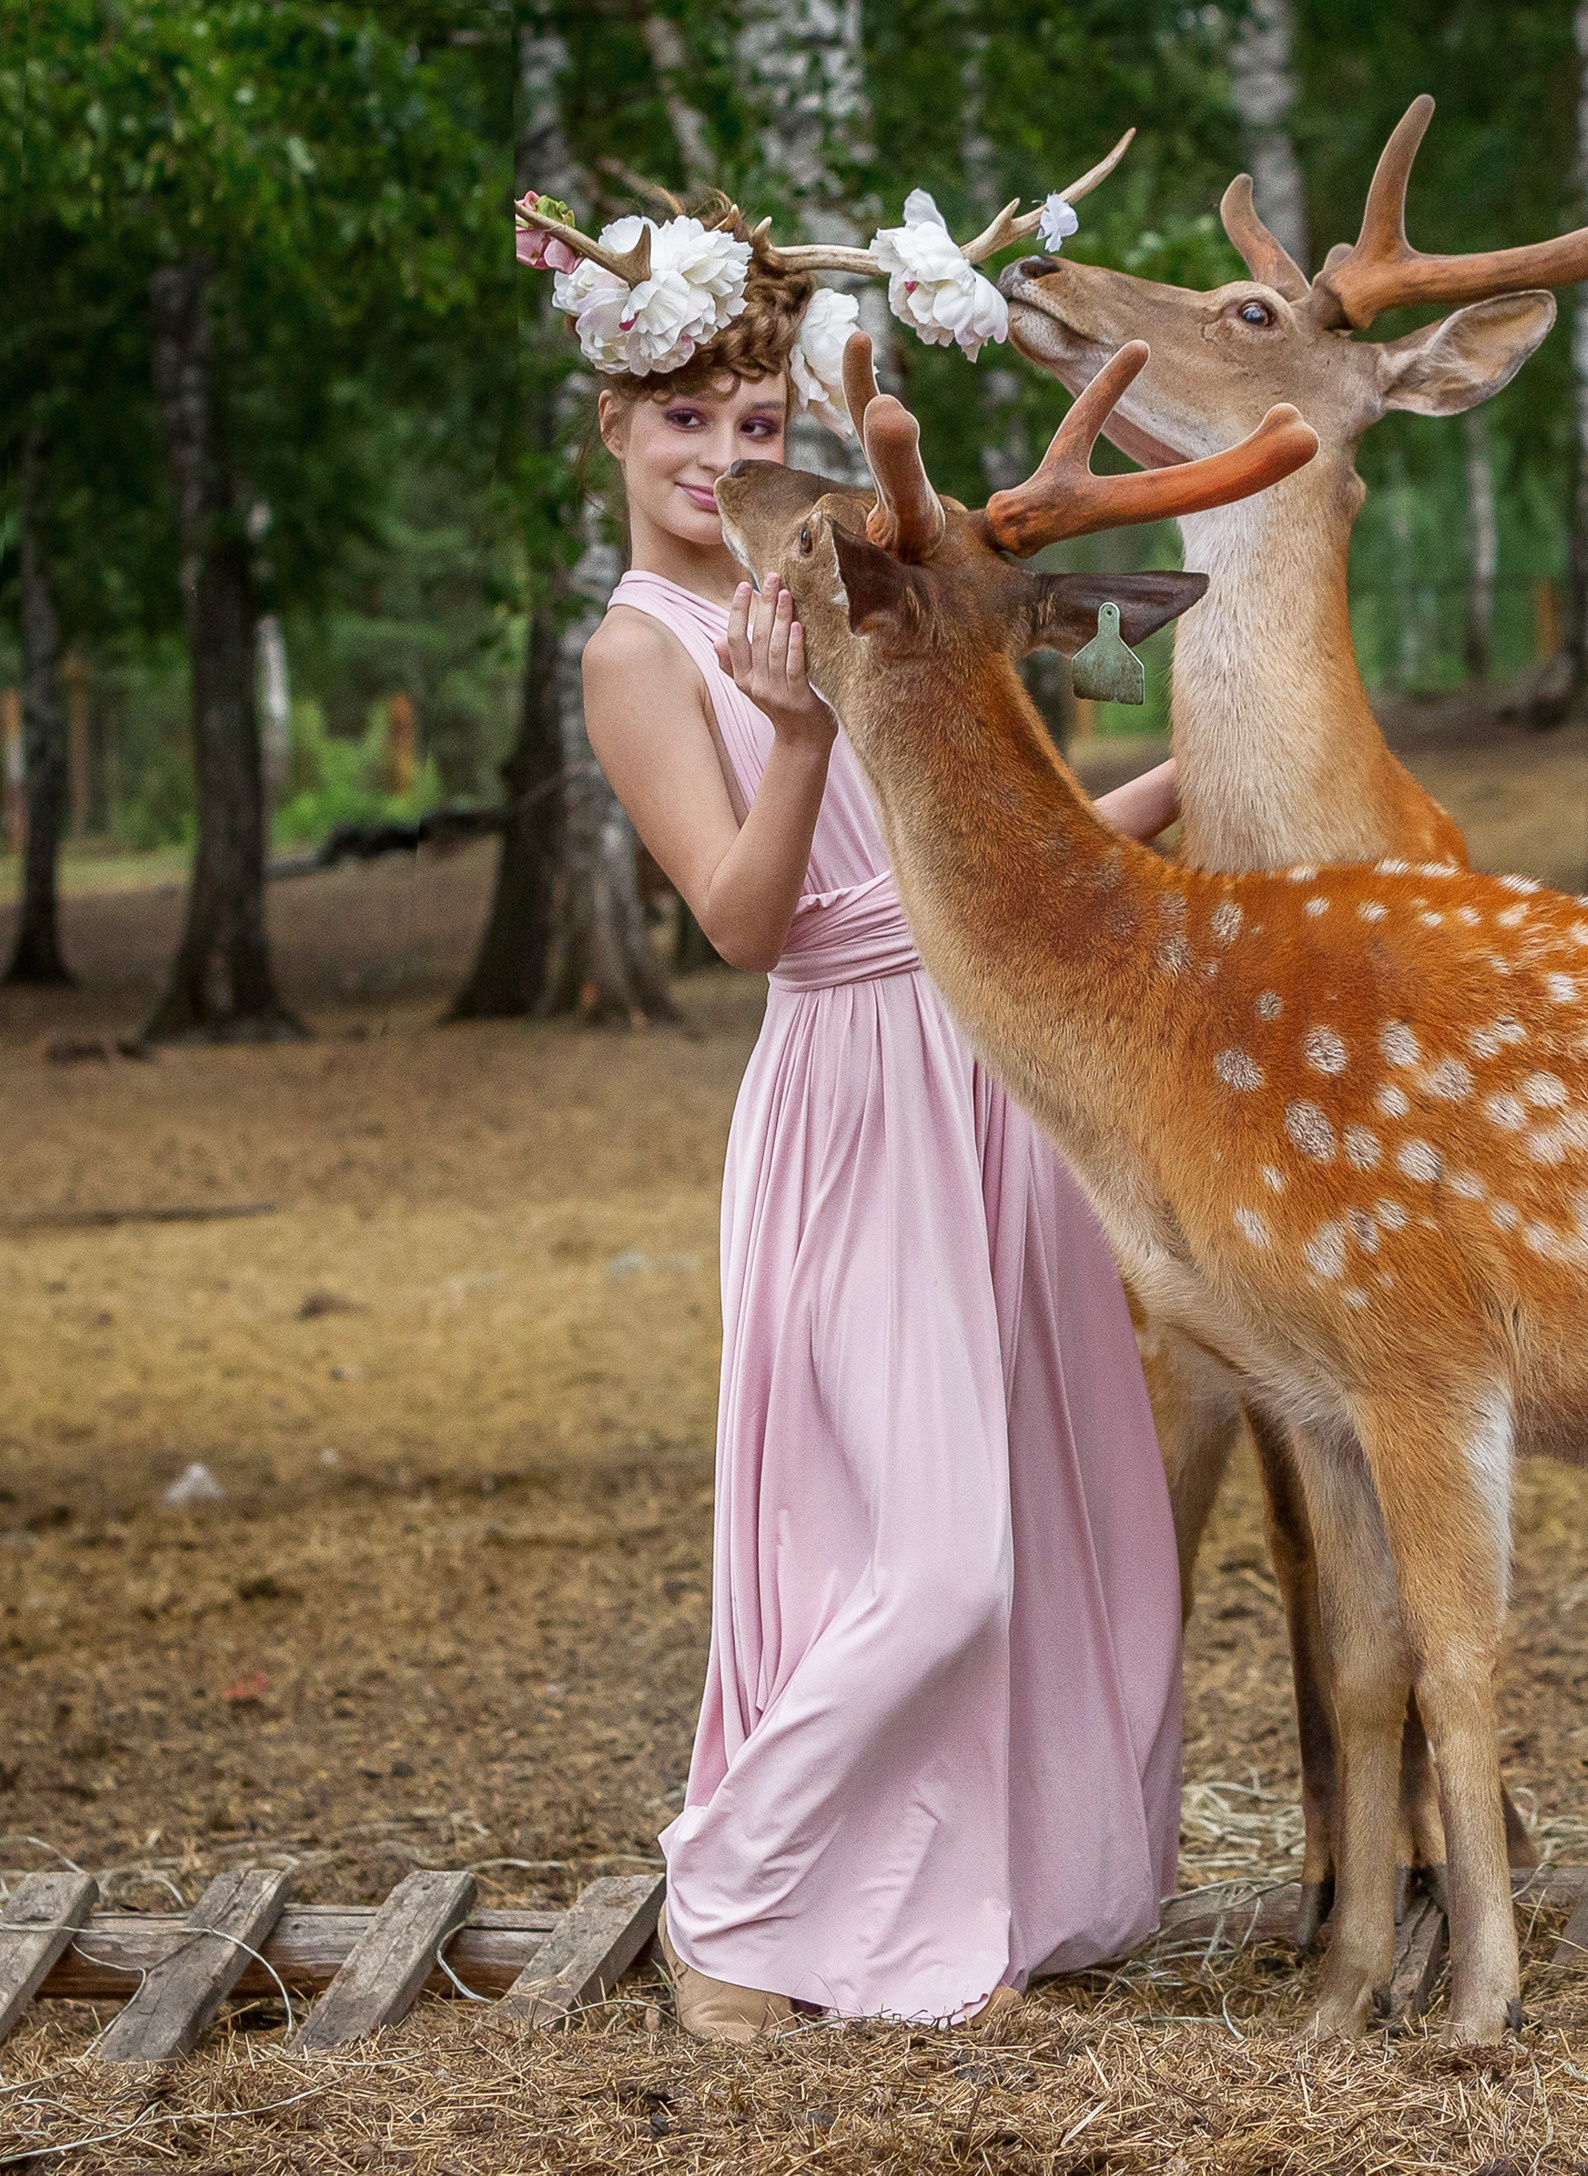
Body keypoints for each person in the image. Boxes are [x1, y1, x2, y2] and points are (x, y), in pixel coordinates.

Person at [514, 189, 1184, 2038]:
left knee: (1073, 1524)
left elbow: (996, 867)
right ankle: (734, 1905)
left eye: (754, 422)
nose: (723, 452)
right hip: (855, 1092)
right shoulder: (641, 651)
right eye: (683, 420)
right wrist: (801, 729)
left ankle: (989, 1888)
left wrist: (1216, 758)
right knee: (935, 1554)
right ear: (617, 429)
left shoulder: (856, 588)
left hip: (991, 1069)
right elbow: (748, 923)